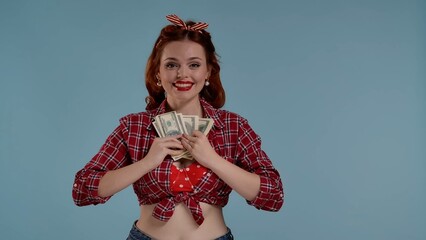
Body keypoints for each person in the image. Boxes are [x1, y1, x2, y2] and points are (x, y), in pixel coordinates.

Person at [72, 14, 284, 240]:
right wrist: (147, 162)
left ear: (208, 72)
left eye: (194, 64)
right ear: (157, 72)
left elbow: (273, 195)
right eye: (172, 64)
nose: (183, 74)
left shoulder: (233, 126)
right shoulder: (133, 127)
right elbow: (83, 190)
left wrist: (212, 159)